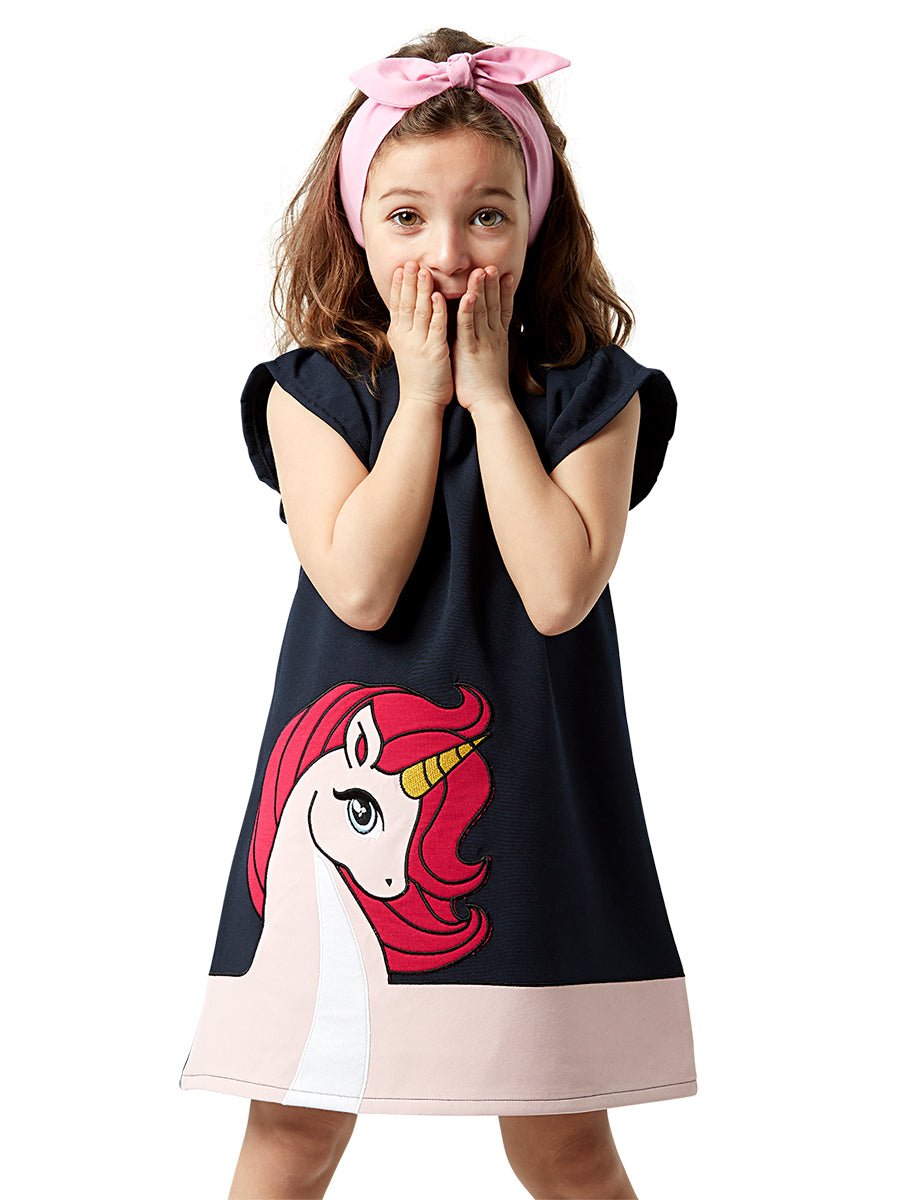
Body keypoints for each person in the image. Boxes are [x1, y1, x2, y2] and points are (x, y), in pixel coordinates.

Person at [179, 26, 698, 1200]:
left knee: (562, 1142)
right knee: (291, 1132)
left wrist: (493, 403)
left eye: (487, 215)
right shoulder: (315, 393)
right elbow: (359, 585)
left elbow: (559, 592)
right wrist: (420, 402)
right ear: (358, 223)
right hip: (348, 808)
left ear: (536, 223)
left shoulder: (593, 395)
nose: (447, 252)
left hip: (525, 809)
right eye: (407, 215)